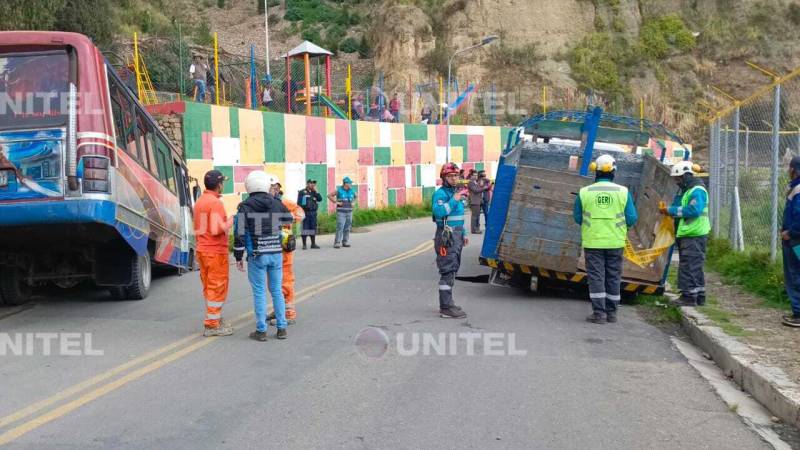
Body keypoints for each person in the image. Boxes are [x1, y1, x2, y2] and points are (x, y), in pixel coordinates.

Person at [574, 154, 638, 324]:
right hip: (615, 242)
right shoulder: (623, 192)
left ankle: (599, 313)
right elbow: (631, 218)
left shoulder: (584, 192)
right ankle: (611, 313)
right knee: (613, 276)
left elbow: (577, 217)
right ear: (613, 172)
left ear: (596, 171)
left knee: (596, 276)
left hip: (593, 242)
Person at [234, 171, 292, 341]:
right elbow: (288, 218)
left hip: (257, 255)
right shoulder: (276, 203)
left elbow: (240, 234)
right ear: (266, 185)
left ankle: (261, 330)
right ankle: (282, 328)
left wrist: (238, 257)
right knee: (277, 291)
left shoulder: (244, 206)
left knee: (259, 292)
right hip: (276, 253)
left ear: (249, 186)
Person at [662, 160, 711, 307]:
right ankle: (699, 295)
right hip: (690, 233)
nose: (677, 182)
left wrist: (670, 211)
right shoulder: (689, 190)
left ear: (686, 176)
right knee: (694, 265)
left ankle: (689, 297)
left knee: (689, 266)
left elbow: (693, 211)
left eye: (678, 178)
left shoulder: (697, 191)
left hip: (694, 234)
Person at [193, 170, 235, 337]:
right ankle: (212, 325)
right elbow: (217, 229)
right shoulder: (215, 203)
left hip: (203, 250)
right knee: (217, 288)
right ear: (219, 185)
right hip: (215, 251)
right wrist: (233, 219)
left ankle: (214, 318)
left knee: (210, 287)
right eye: (222, 182)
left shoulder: (200, 201)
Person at [432, 163, 468, 319]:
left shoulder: (455, 193)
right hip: (446, 236)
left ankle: (449, 302)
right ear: (444, 178)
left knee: (453, 268)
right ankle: (445, 307)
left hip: (457, 235)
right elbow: (439, 212)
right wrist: (454, 199)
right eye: (451, 176)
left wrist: (464, 233)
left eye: (456, 175)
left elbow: (458, 217)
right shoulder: (441, 194)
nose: (454, 178)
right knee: (447, 270)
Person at [274, 184, 304, 325]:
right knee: (275, 281)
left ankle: (289, 313)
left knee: (285, 278)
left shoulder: (285, 202)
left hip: (284, 240)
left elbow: (300, 213)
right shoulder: (269, 202)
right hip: (273, 243)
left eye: (274, 187)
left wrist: (287, 218)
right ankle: (279, 309)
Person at [782, 156, 800, 327]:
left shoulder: (798, 189)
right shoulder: (794, 188)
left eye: (789, 168)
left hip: (795, 241)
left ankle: (798, 313)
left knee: (795, 275)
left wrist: (791, 232)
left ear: (794, 170)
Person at [329, 176, 357, 248]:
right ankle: (337, 242)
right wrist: (336, 202)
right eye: (350, 183)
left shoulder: (352, 190)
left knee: (347, 227)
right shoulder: (339, 190)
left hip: (349, 212)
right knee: (340, 227)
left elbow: (356, 196)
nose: (351, 184)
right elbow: (329, 196)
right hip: (341, 212)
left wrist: (353, 202)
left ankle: (345, 241)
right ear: (345, 183)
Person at [297, 179, 323, 249]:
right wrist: (301, 212)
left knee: (313, 228)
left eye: (313, 184)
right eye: (311, 183)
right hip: (306, 213)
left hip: (313, 213)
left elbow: (320, 199)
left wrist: (317, 191)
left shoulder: (314, 192)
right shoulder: (302, 192)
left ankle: (313, 244)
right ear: (307, 184)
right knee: (305, 228)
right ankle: (304, 245)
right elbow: (299, 203)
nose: (313, 185)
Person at [468, 170, 488, 234]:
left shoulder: (475, 182)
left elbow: (479, 189)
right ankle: (474, 230)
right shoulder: (471, 182)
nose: (475, 176)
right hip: (474, 201)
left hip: (478, 201)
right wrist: (483, 188)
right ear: (471, 176)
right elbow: (475, 190)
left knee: (476, 216)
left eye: (476, 175)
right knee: (474, 216)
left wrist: (482, 186)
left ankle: (476, 229)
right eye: (474, 175)